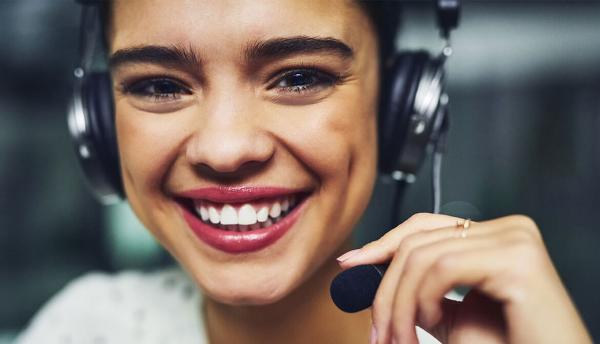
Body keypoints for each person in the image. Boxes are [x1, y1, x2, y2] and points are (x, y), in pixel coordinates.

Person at [17, 1, 592, 343]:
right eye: (159, 85)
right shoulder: (86, 326)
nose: (224, 148)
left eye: (298, 77)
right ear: (96, 122)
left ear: (399, 108)